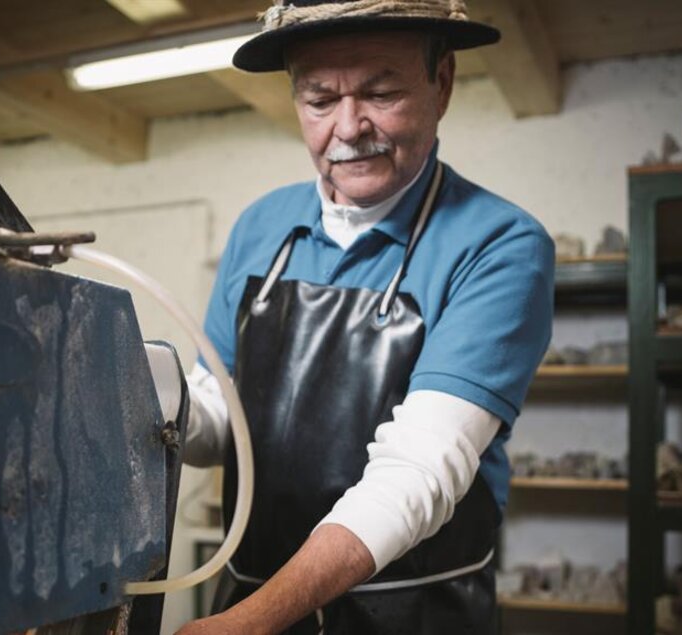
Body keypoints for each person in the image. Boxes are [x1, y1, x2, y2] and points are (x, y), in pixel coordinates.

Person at [178, 1, 554, 632]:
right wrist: (137, 394)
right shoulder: (260, 228)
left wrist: (250, 622)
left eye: (381, 92)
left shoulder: (500, 244)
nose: (349, 128)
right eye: (319, 100)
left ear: (442, 83)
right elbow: (220, 419)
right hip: (254, 599)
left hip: (414, 613)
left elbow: (417, 472)